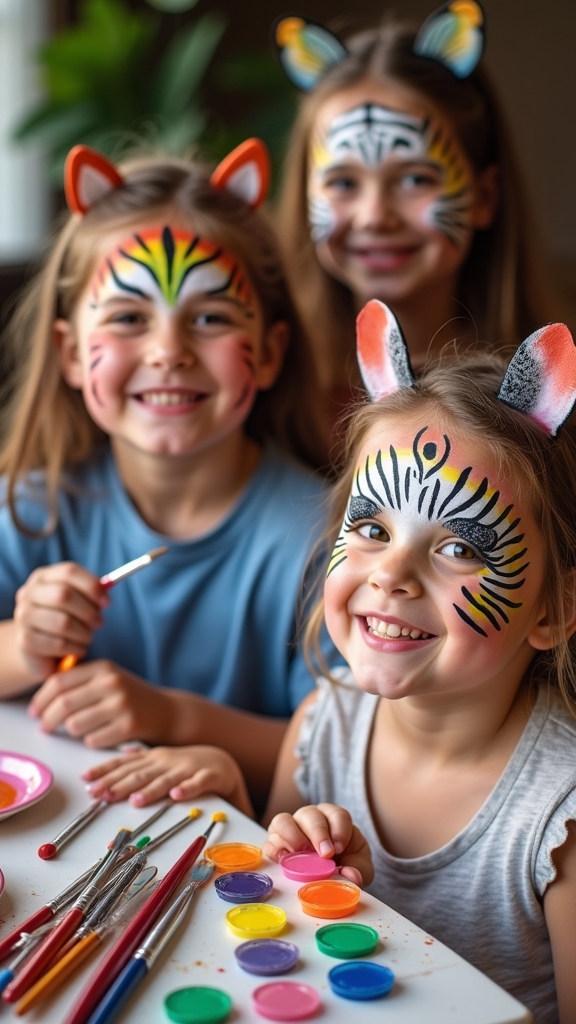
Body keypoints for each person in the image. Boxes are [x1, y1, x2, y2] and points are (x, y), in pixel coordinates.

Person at [88, 301, 576, 1022]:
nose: (392, 574)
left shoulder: (558, 815)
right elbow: (280, 946)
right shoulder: (323, 722)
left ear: (553, 610)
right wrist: (250, 820)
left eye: (461, 547)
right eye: (373, 527)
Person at [0, 139, 334, 804]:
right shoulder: (29, 510)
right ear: (70, 353)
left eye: (209, 318)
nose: (168, 351)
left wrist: (172, 720)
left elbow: (345, 752)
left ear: (268, 354)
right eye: (128, 317)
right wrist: (20, 648)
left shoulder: (326, 540)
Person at [271, 3, 558, 418]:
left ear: (484, 197)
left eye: (415, 180)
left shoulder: (544, 395)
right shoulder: (270, 388)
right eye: (344, 182)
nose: (374, 216)